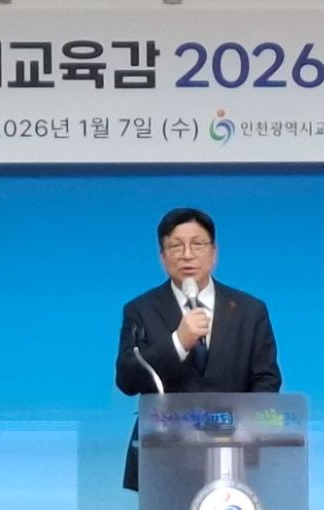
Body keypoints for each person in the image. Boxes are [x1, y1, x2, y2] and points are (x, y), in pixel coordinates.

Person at [115, 207, 283, 491]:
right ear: (162, 256)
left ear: (214, 253)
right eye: (176, 246)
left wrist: (248, 431)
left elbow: (266, 380)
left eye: (197, 244)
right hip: (163, 457)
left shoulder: (250, 310)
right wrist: (178, 342)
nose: (187, 255)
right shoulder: (140, 310)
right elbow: (127, 380)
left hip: (234, 455)